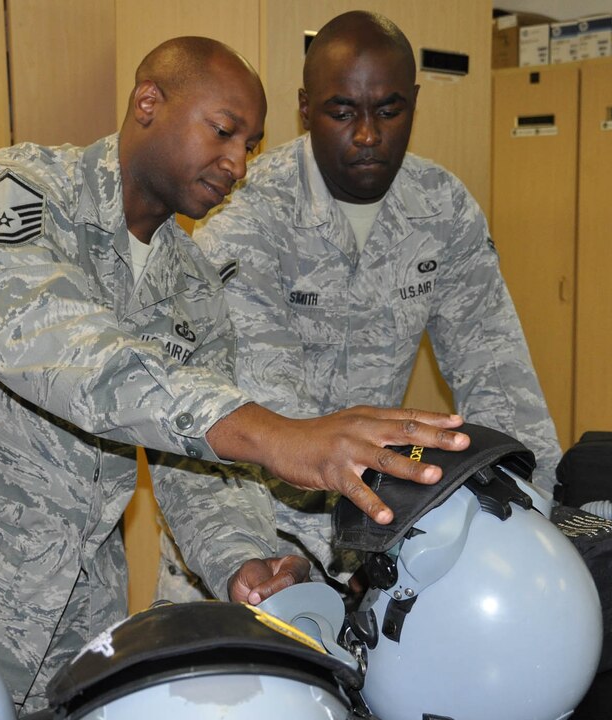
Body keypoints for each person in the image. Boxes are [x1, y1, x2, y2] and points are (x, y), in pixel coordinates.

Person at [0, 35, 469, 715]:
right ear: (149, 102)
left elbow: (193, 469)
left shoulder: (192, 288)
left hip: (74, 620)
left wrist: (245, 562)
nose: (237, 162)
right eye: (224, 130)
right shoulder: (14, 193)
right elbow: (54, 346)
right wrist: (276, 435)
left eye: (252, 145)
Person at [155, 12, 561, 600]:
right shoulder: (245, 215)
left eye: (389, 111)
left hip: (374, 541)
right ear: (305, 108)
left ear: (415, 104)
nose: (367, 134)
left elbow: (498, 375)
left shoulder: (441, 210)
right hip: (245, 552)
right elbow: (276, 427)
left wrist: (530, 516)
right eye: (343, 112)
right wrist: (349, 555)